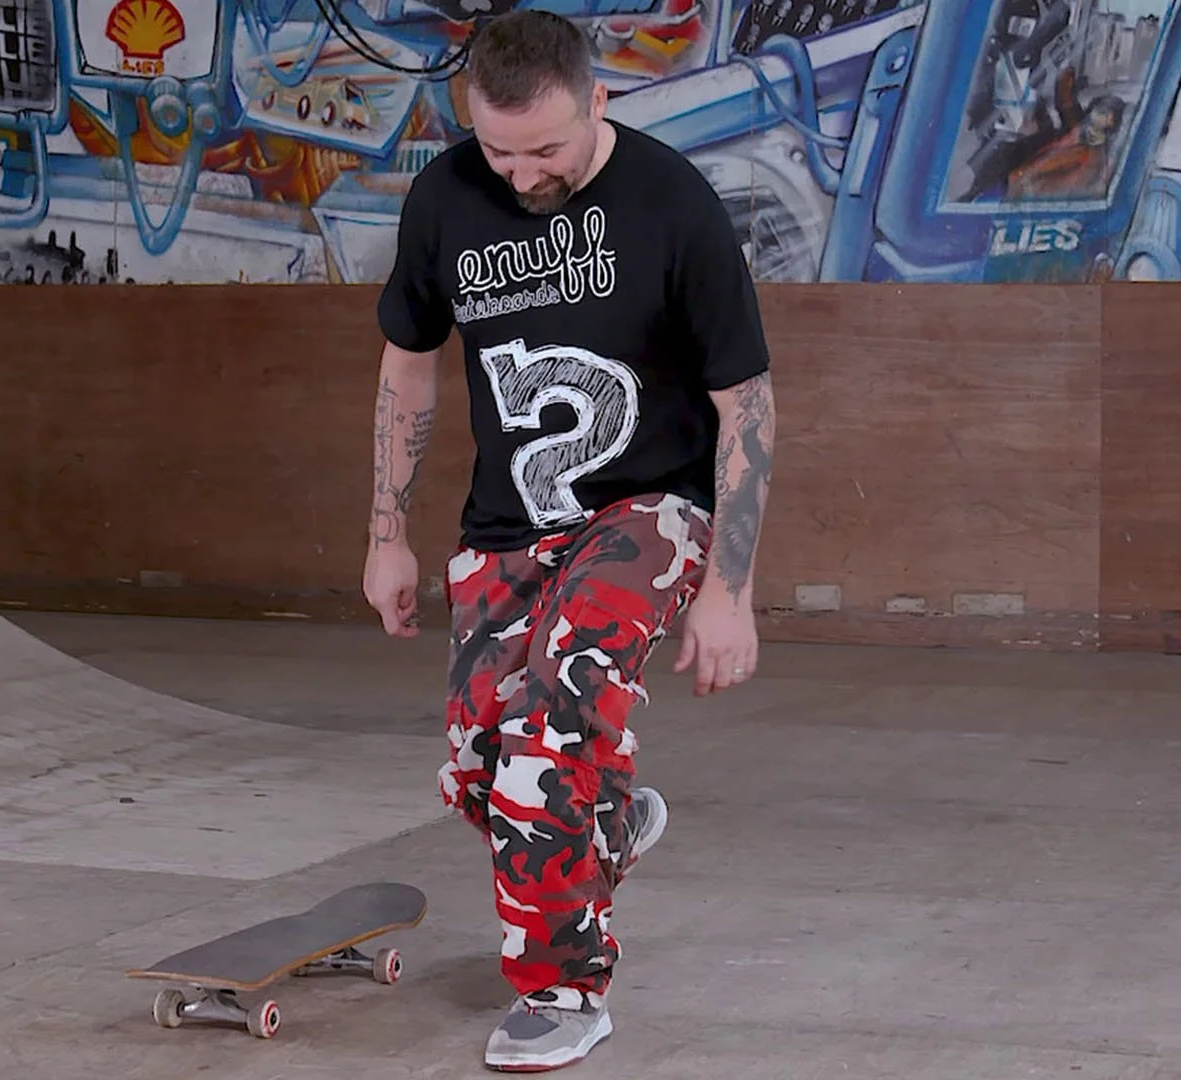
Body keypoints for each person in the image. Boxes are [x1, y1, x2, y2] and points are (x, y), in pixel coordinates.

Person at [361, 9, 776, 1071]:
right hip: (507, 525)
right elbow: (409, 366)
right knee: (474, 771)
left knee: (543, 754)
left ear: (599, 100)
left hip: (650, 510)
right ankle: (608, 821)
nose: (521, 173)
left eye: (544, 149)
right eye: (498, 149)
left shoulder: (671, 201)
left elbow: (747, 403)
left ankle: (562, 992)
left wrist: (730, 590)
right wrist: (386, 536)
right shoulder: (447, 198)